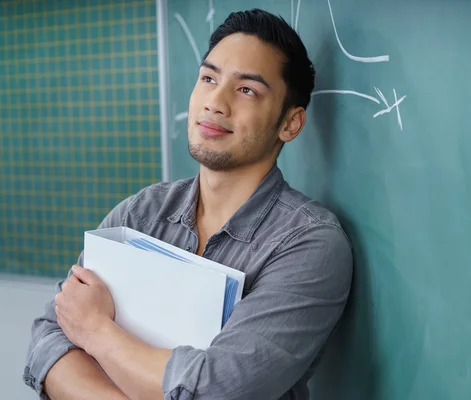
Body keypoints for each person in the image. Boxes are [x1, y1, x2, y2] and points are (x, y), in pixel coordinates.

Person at [23, 8, 353, 400]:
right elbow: (49, 344)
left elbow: (219, 387)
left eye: (246, 89)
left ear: (290, 124)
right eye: (209, 78)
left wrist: (95, 329)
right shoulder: (139, 214)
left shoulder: (309, 244)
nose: (216, 102)